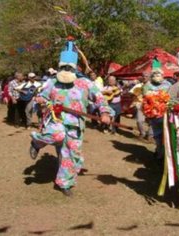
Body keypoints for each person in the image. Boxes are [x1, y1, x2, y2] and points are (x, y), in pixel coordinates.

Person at [29, 40, 112, 197]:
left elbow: (100, 99)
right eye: (63, 67)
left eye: (69, 67)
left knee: (71, 154)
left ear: (75, 68)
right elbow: (40, 95)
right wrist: (40, 99)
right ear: (59, 66)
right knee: (56, 134)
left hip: (75, 125)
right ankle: (36, 142)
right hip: (55, 120)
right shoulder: (52, 82)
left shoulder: (85, 83)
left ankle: (64, 183)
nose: (66, 70)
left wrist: (105, 113)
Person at [142, 68, 171, 160]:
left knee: (166, 134)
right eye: (154, 74)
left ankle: (166, 154)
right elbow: (144, 99)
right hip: (153, 115)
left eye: (158, 74)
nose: (156, 76)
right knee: (157, 134)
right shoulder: (147, 85)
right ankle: (159, 152)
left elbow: (171, 97)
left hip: (166, 114)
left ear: (163, 76)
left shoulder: (168, 85)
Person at [129, 72, 153, 140]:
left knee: (152, 122)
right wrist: (134, 94)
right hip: (140, 105)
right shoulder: (138, 86)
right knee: (139, 121)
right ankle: (142, 133)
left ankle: (150, 135)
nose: (145, 77)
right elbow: (130, 94)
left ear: (150, 77)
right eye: (143, 76)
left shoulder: (153, 86)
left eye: (146, 76)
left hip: (151, 106)